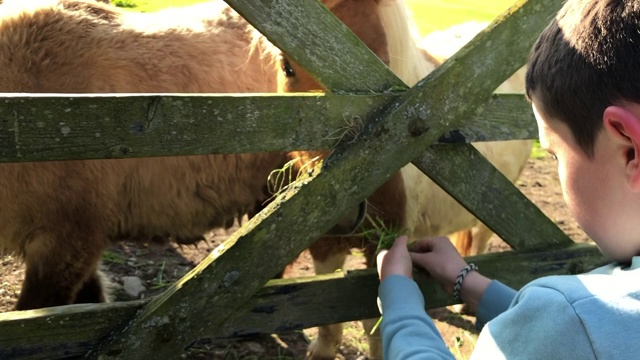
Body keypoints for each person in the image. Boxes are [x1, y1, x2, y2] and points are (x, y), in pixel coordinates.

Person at [376, 0, 640, 358]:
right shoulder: (583, 319)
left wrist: (399, 302)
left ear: (629, 152)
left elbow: (572, 328)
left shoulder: (568, 318)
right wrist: (467, 283)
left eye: (555, 154)